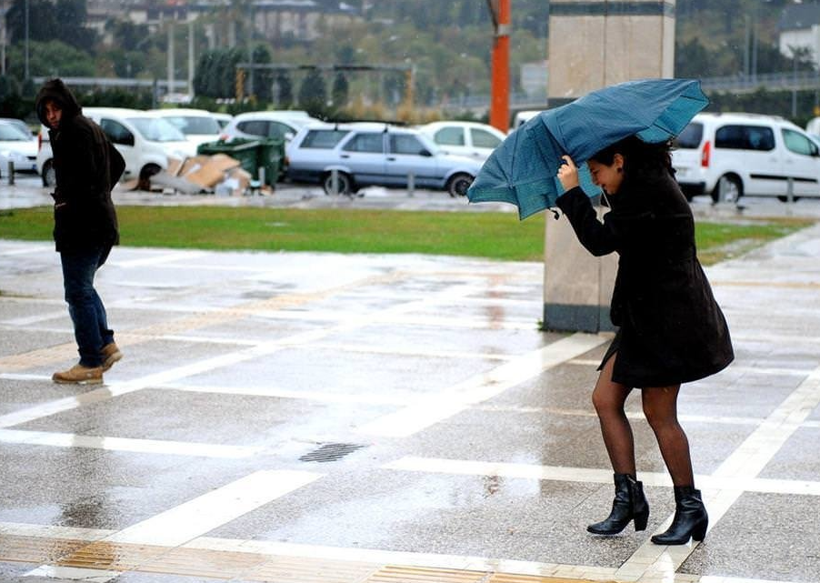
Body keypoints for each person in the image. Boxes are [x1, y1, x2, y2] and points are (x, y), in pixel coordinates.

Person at [554, 136, 733, 545]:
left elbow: (600, 242)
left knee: (659, 411)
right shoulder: (643, 186)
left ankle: (691, 508)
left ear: (619, 161)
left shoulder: (647, 192)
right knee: (605, 399)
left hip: (670, 321)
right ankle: (629, 498)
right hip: (646, 316)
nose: (597, 183)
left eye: (597, 173)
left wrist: (571, 193)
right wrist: (588, 190)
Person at [35, 79, 126, 385]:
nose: (51, 115)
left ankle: (90, 360)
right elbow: (118, 161)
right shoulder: (87, 126)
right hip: (99, 221)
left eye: (55, 108)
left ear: (66, 105)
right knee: (83, 287)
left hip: (82, 225)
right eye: (46, 110)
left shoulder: (73, 132)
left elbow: (84, 176)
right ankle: (105, 344)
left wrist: (71, 201)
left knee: (77, 291)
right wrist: (101, 193)